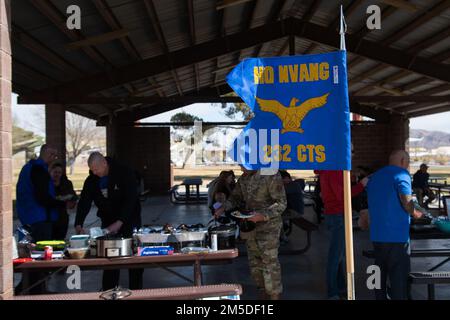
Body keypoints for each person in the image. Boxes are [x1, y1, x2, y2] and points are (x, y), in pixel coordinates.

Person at [214, 166, 287, 300]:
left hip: (269, 227)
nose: (240, 168)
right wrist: (223, 207)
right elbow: (235, 197)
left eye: (242, 164)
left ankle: (274, 296)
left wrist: (262, 215)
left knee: (269, 263)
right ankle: (263, 294)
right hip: (249, 226)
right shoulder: (245, 178)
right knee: (255, 263)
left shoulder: (270, 174)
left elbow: (281, 203)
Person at [75, 152, 143, 290]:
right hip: (108, 221)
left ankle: (136, 292)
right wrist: (78, 223)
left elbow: (131, 200)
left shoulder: (124, 172)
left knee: (134, 259)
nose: (94, 172)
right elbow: (84, 202)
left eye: (96, 169)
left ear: (104, 163)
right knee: (110, 258)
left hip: (129, 219)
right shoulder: (92, 180)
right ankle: (109, 291)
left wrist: (120, 221)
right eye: (92, 170)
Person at [367, 150, 423, 300]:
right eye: (409, 162)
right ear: (403, 160)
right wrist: (415, 213)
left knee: (378, 278)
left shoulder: (375, 177)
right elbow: (406, 200)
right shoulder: (402, 174)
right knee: (399, 282)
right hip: (397, 238)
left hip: (377, 236)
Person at [15, 144, 68, 294]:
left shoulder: (30, 168)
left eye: (56, 155)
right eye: (53, 155)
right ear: (45, 153)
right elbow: (42, 197)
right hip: (39, 220)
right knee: (40, 258)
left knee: (34, 258)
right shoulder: (39, 170)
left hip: (31, 218)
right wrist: (61, 203)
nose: (54, 158)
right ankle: (33, 291)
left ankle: (29, 290)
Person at [314, 169, 368, 300]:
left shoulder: (328, 170)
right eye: (351, 151)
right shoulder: (335, 171)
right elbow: (342, 195)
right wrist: (361, 185)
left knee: (339, 254)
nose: (352, 155)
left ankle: (340, 287)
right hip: (338, 214)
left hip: (333, 213)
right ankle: (332, 292)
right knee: (336, 256)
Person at [49, 162, 78, 240]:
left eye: (59, 172)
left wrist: (70, 201)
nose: (57, 174)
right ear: (50, 172)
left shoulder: (66, 183)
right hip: (49, 218)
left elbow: (74, 197)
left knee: (61, 239)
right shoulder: (47, 184)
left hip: (63, 216)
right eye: (55, 172)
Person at [279, 170, 304, 243]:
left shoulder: (294, 185)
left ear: (287, 178)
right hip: (289, 210)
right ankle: (283, 230)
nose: (280, 181)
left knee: (276, 219)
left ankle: (283, 238)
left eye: (281, 179)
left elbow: (280, 192)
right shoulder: (289, 185)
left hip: (295, 212)